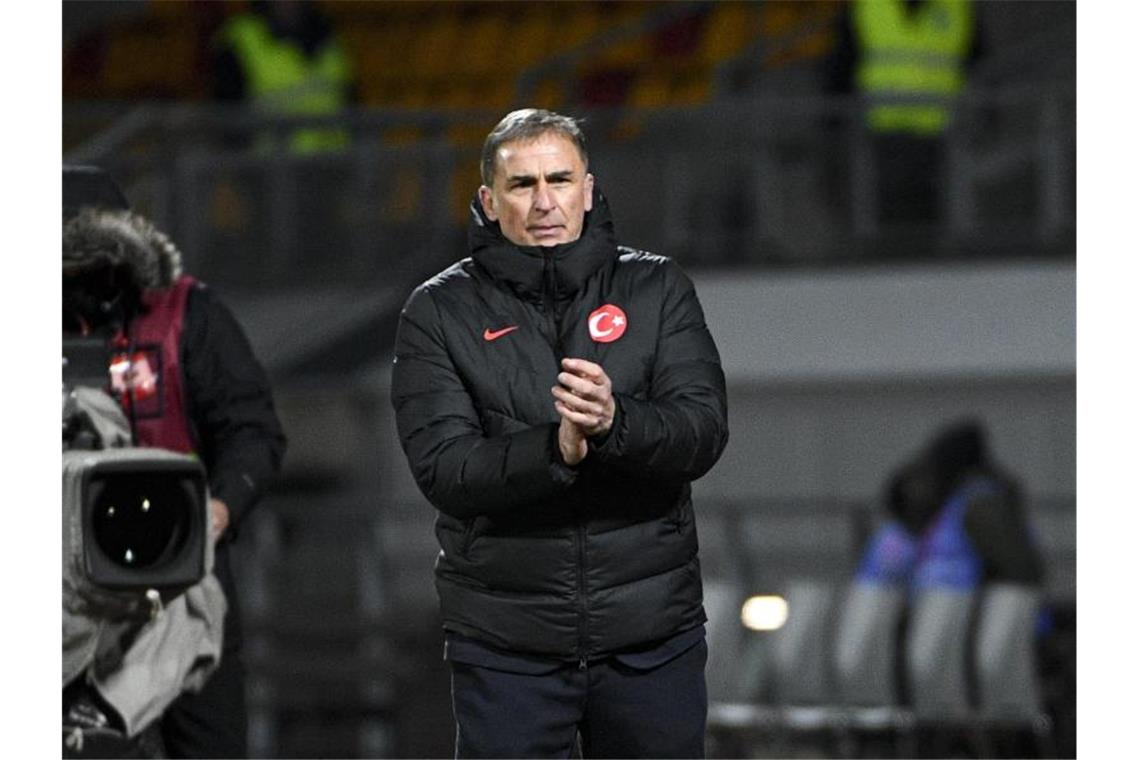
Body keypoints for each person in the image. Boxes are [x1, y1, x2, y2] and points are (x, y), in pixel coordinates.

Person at [390, 109, 729, 758]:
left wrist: (615, 422)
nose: (544, 202)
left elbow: (703, 432)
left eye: (560, 180)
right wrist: (556, 449)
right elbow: (446, 470)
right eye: (522, 186)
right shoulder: (438, 311)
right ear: (489, 201)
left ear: (589, 189)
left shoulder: (656, 287)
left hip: (651, 637)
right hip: (507, 645)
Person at [63, 165, 287, 758]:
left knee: (207, 746)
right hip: (66, 597)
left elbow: (254, 431)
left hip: (184, 577)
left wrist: (218, 510)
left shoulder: (188, 315)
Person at [828, 0, 979, 228]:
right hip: (882, 131)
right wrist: (832, 120)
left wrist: (986, 114)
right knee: (884, 214)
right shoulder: (867, 5)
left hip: (941, 133)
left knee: (938, 215)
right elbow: (841, 63)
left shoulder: (956, 6)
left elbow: (979, 62)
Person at [210, 0, 354, 153]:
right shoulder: (240, 39)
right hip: (270, 167)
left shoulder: (329, 34)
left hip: (335, 165)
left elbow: (351, 103)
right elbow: (227, 119)